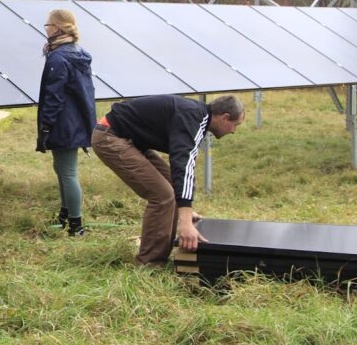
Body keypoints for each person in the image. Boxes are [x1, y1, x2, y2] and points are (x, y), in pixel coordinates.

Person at [91, 94, 245, 267]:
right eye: (235, 125)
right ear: (225, 118)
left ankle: (160, 253)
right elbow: (183, 164)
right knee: (163, 195)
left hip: (131, 139)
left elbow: (181, 169)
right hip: (111, 137)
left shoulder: (196, 115)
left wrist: (185, 211)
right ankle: (149, 265)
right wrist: (185, 222)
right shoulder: (193, 118)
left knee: (172, 185)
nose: (233, 131)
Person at [35, 9, 96, 236]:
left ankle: (76, 225)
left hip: (63, 122)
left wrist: (46, 126)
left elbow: (54, 96)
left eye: (48, 25)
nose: (46, 29)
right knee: (61, 167)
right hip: (77, 120)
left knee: (68, 171)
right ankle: (65, 215)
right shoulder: (79, 54)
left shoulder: (58, 58)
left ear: (58, 28)